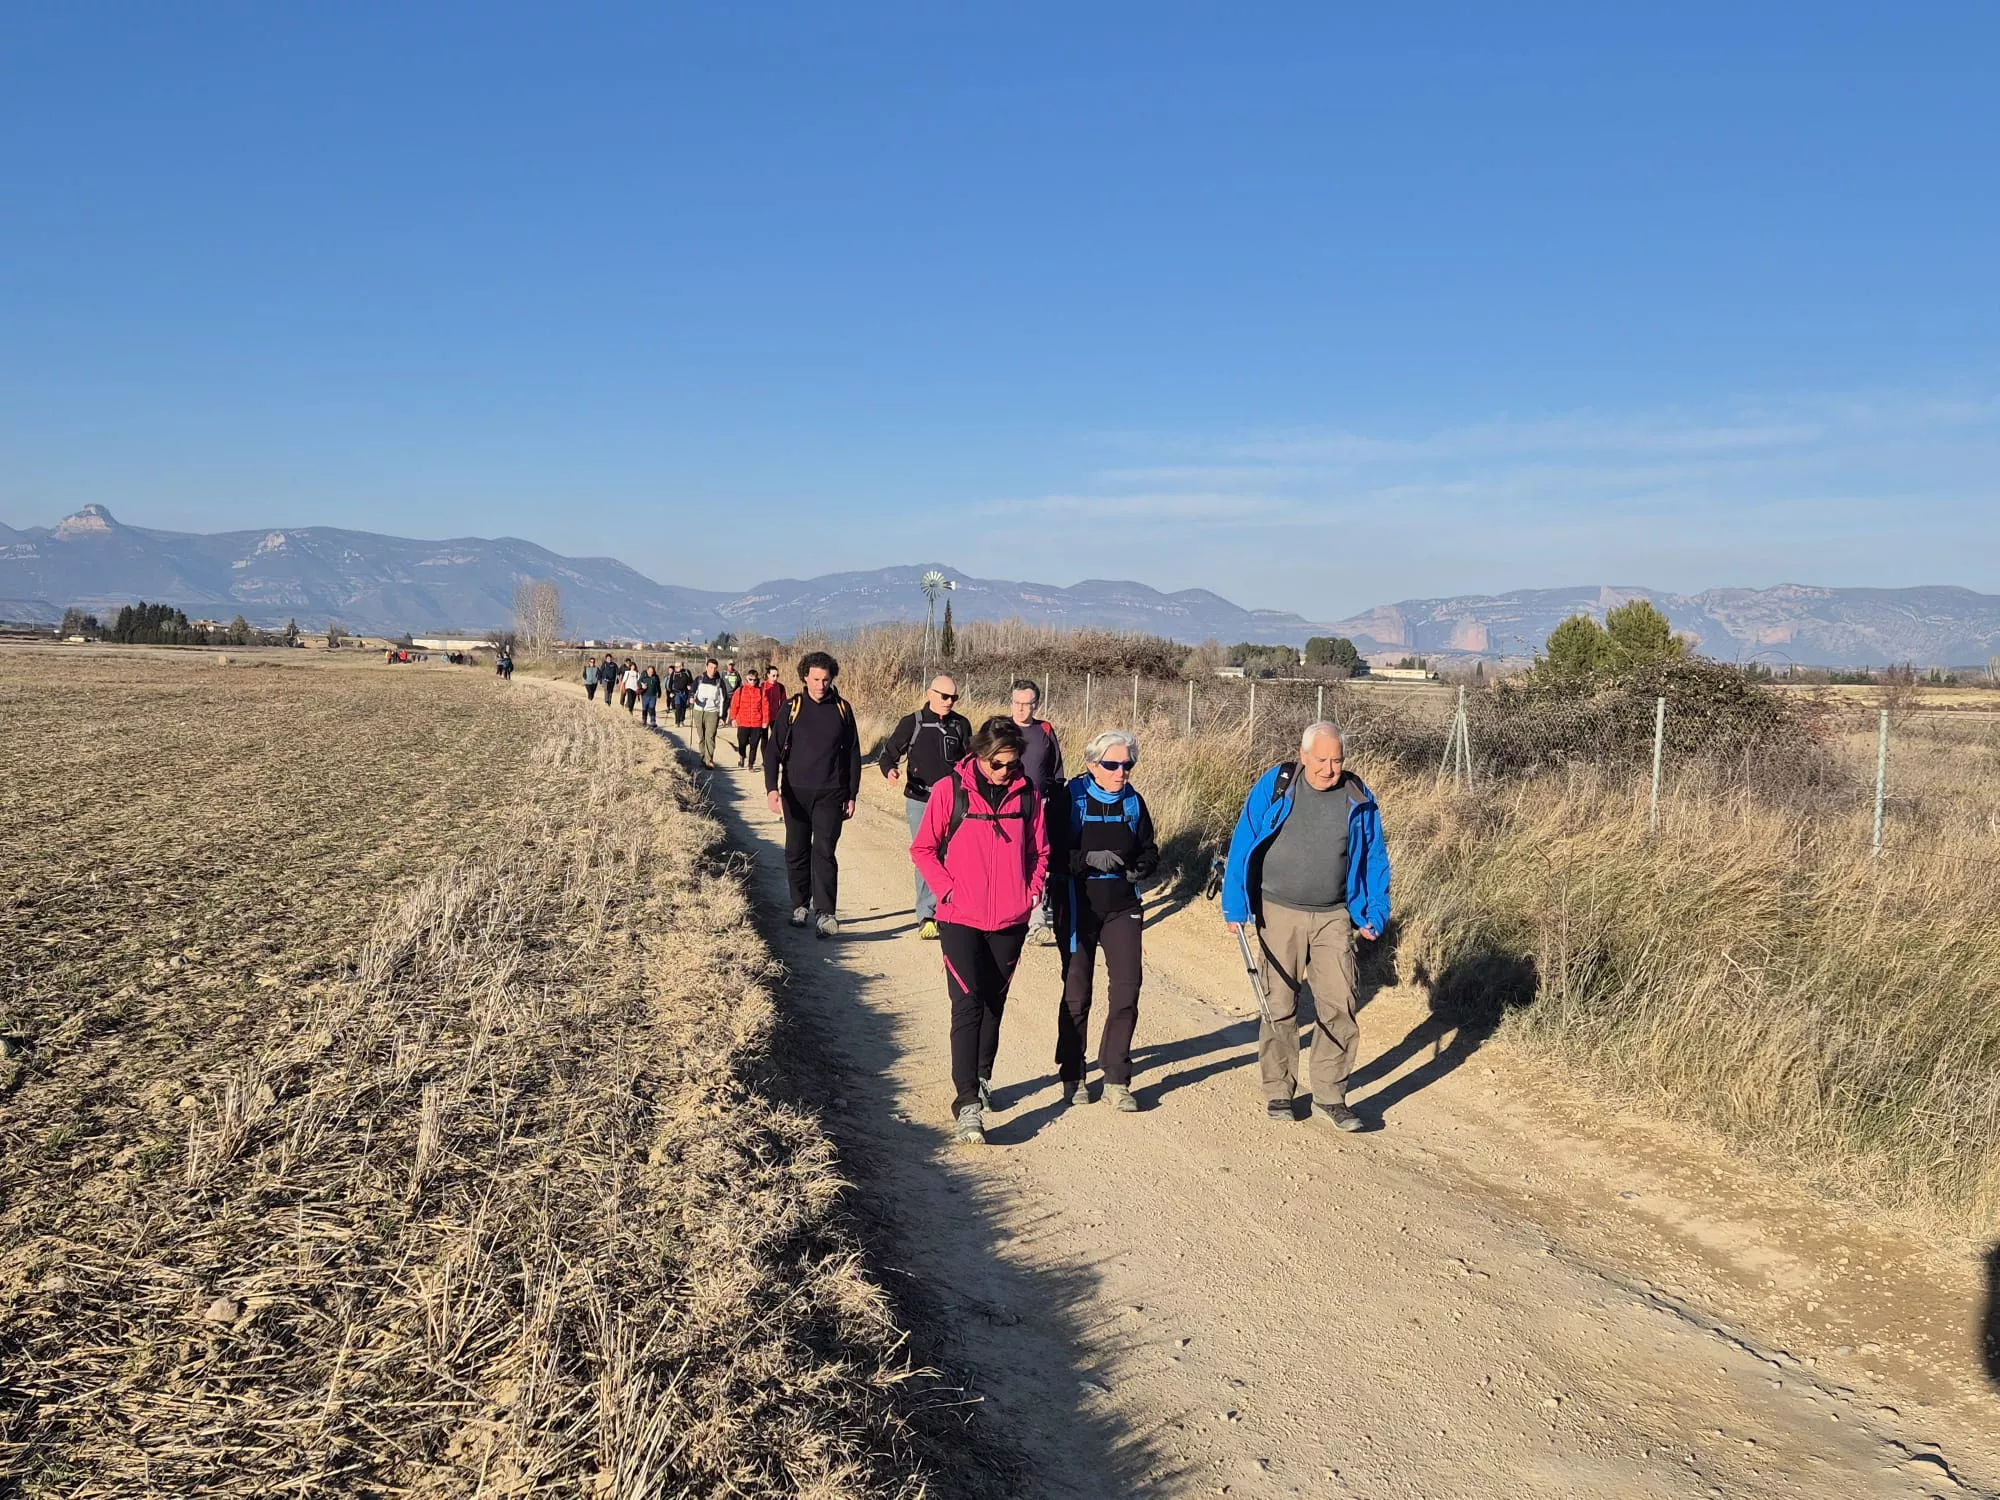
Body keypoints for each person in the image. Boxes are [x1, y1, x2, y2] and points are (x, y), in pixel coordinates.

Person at [1220, 723, 1390, 1132]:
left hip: (1335, 915)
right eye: (1321, 760)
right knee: (1278, 1004)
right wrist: (1235, 904)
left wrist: (1375, 909)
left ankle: (1331, 1095)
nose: (1329, 769)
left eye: (1337, 760)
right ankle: (1279, 1090)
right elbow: (1244, 839)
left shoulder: (1357, 796)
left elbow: (1374, 857)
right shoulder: (1278, 784)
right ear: (1303, 756)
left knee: (1340, 1003)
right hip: (1278, 911)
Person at [909, 717, 1050, 1146]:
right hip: (959, 918)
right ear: (980, 755)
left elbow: (1040, 851)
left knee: (993, 1003)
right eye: (997, 764)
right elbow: (923, 848)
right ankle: (967, 1101)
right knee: (967, 1004)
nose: (1006, 771)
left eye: (1013, 763)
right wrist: (947, 890)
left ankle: (983, 1077)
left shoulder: (1028, 794)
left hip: (1011, 919)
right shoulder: (949, 790)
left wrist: (1031, 891)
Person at [1055, 730, 1159, 1112]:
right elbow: (1050, 853)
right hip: (1077, 904)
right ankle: (1073, 1074)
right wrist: (1086, 860)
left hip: (1122, 906)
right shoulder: (1071, 798)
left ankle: (1117, 1078)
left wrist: (1142, 867)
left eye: (1127, 765)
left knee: (1127, 991)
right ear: (1091, 765)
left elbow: (1149, 849)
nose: (1121, 772)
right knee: (1077, 993)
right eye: (1112, 764)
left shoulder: (1133, 802)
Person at [764, 651, 862, 938]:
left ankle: (825, 913)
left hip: (831, 793)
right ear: (805, 677)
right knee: (796, 850)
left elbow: (853, 754)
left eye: (826, 679)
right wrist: (772, 789)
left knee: (824, 851)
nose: (821, 685)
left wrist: (852, 794)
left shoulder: (842, 709)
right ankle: (800, 905)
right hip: (795, 793)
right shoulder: (792, 708)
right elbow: (772, 752)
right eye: (816, 679)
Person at [877, 675, 973, 940]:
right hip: (920, 800)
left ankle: (949, 910)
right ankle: (927, 915)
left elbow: (971, 761)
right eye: (945, 696)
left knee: (953, 855)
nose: (949, 701)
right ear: (930, 694)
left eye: (954, 697)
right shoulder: (913, 722)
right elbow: (888, 754)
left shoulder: (961, 724)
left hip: (954, 801)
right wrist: (890, 770)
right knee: (927, 855)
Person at [1009, 680, 1066, 943]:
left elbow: (1056, 769)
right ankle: (1011, 912)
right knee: (1011, 860)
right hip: (1006, 807)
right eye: (1016, 703)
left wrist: (1055, 800)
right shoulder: (1001, 728)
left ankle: (1037, 920)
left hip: (1039, 805)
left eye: (1026, 704)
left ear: (1036, 705)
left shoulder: (1045, 730)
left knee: (1036, 859)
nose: (1020, 709)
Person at [729, 666, 773, 768]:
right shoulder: (740, 690)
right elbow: (734, 705)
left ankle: (751, 764)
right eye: (750, 679)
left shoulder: (761, 691)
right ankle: (742, 756)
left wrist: (765, 721)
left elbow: (765, 707)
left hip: (757, 723)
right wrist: (733, 718)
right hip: (743, 722)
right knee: (742, 742)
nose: (752, 682)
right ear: (746, 679)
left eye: (755, 680)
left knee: (754, 744)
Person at [689, 658, 729, 766]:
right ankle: (703, 757)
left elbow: (724, 699)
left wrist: (722, 716)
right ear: (706, 667)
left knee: (710, 736)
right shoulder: (699, 679)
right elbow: (692, 691)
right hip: (699, 711)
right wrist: (691, 697)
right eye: (711, 667)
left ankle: (709, 760)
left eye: (715, 668)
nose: (713, 670)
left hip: (713, 712)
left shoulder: (719, 682)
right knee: (702, 736)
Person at [668, 661, 695, 726]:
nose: (676, 668)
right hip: (676, 693)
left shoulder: (687, 672)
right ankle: (677, 722)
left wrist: (689, 686)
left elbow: (691, 682)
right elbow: (670, 683)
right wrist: (671, 692)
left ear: (682, 666)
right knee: (677, 707)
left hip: (685, 693)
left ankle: (682, 720)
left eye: (678, 666)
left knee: (683, 707)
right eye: (675, 667)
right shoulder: (673, 673)